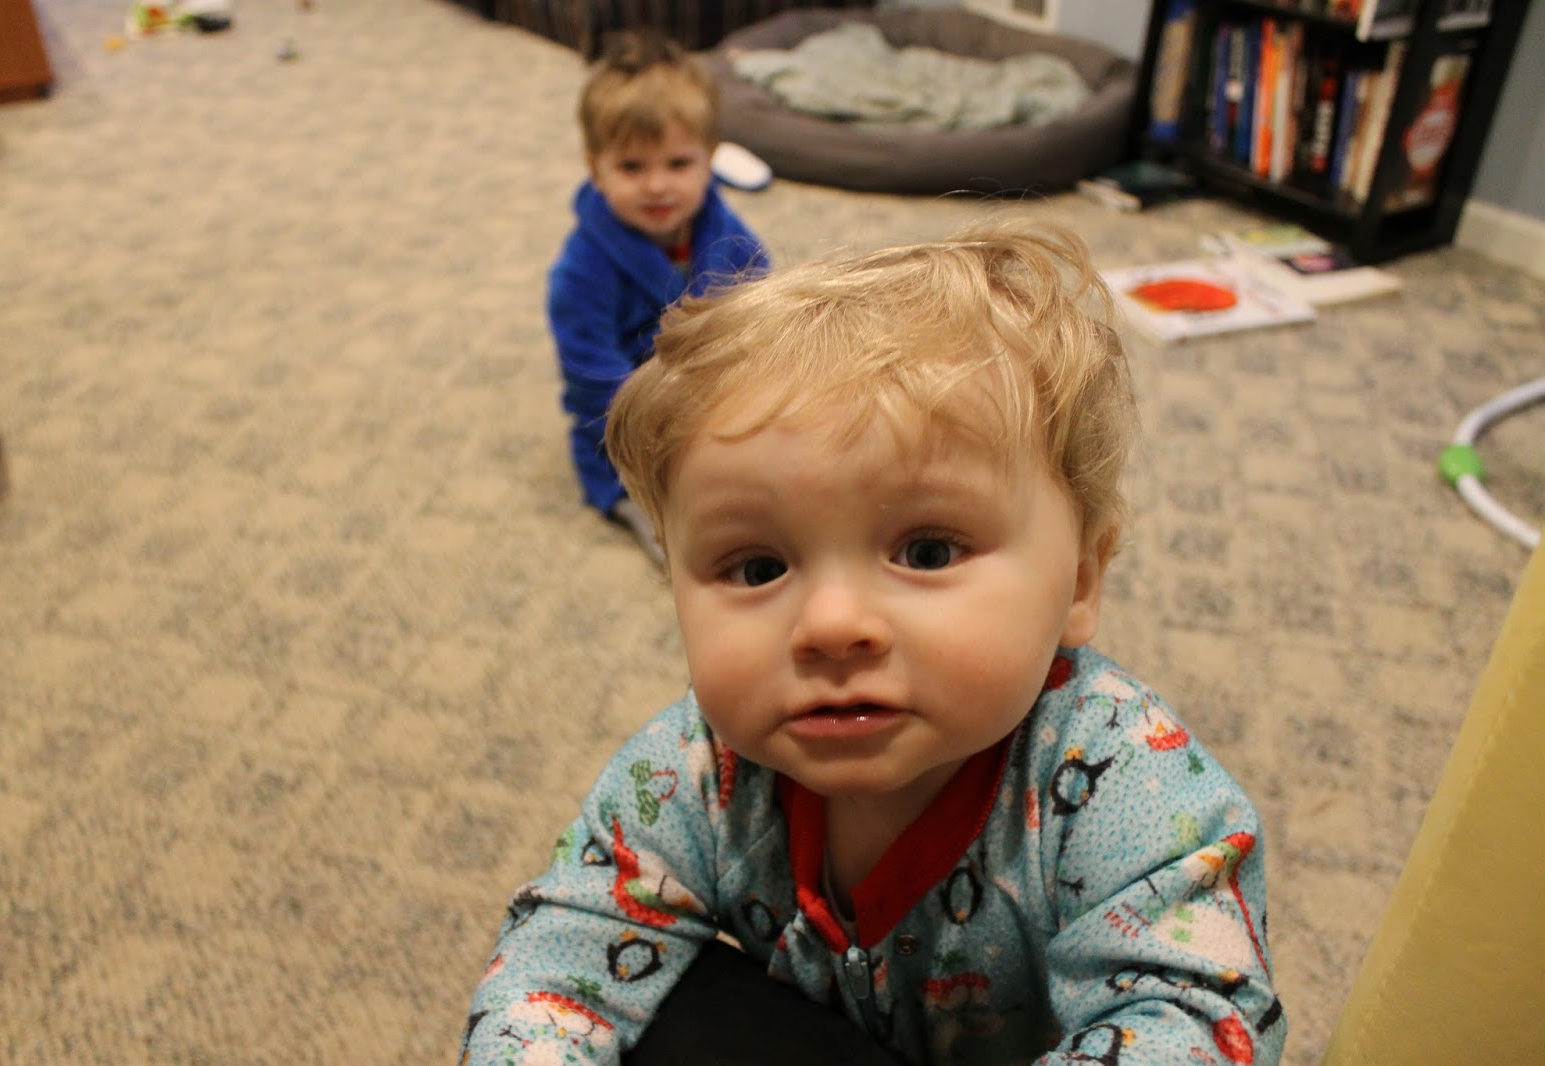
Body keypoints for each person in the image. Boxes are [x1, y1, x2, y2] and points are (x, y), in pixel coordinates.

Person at [460, 220, 1286, 1065]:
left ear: (1079, 581)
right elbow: (557, 956)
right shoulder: (693, 773)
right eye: (757, 568)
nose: (831, 626)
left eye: (926, 553)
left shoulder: (1130, 787)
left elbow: (1193, 1019)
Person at [548, 30, 769, 563]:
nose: (657, 186)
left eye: (677, 164)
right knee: (687, 530)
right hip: (632, 423)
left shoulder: (725, 231)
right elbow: (592, 377)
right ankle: (639, 502)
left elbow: (763, 309)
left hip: (715, 396)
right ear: (595, 168)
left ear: (710, 159)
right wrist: (660, 428)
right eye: (632, 167)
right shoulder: (581, 271)